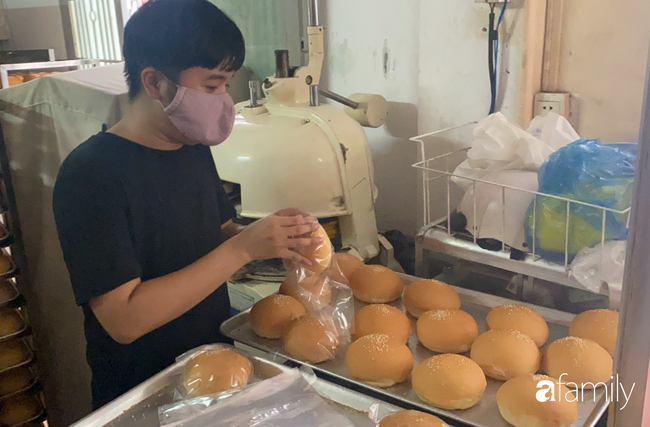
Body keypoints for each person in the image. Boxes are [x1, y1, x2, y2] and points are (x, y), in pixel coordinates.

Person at [52, 0, 320, 409]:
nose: (223, 99)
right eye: (212, 86)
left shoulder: (190, 147)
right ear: (154, 82)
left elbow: (217, 237)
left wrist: (270, 240)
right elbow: (124, 319)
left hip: (216, 368)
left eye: (226, 85)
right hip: (144, 393)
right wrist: (242, 248)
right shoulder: (91, 174)